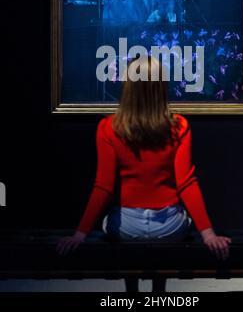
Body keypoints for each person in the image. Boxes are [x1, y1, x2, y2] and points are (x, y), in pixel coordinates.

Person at [56, 56, 231, 292]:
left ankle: (132, 293)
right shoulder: (179, 125)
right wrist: (209, 234)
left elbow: (104, 186)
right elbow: (186, 183)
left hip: (127, 227)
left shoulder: (108, 127)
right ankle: (159, 292)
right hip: (168, 226)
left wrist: (79, 235)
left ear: (128, 86)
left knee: (114, 219)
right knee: (180, 220)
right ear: (161, 87)